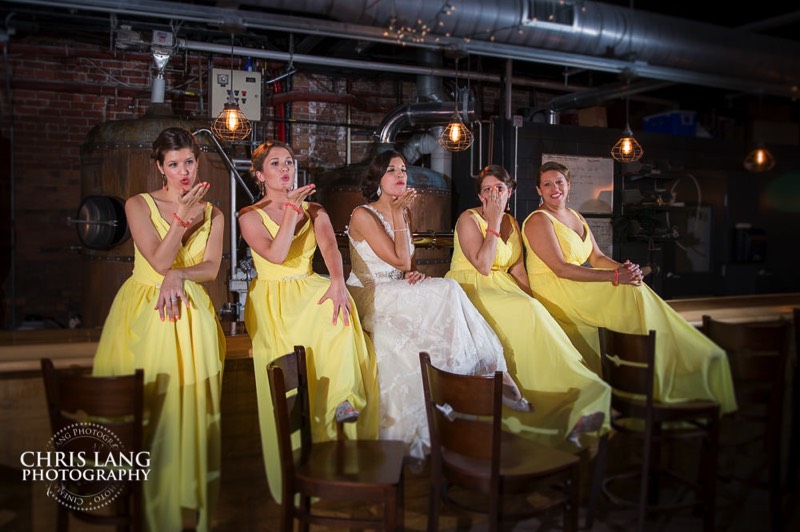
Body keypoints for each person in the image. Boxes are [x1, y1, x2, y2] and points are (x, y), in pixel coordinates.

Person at [345, 149, 530, 461]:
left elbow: (408, 264)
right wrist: (399, 221)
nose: (401, 175)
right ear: (377, 178)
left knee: (442, 301)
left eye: (403, 169)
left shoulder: (403, 211)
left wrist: (413, 273)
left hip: (397, 288)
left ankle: (460, 400)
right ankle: (487, 370)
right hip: (370, 291)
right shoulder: (363, 215)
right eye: (391, 170)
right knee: (447, 287)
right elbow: (399, 257)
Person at [522, 160, 736, 413]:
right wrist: (615, 277)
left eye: (559, 182)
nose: (554, 188)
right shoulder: (538, 220)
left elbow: (597, 258)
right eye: (547, 184)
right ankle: (666, 353)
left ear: (569, 185)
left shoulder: (576, 216)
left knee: (633, 283)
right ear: (539, 190)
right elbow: (560, 268)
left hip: (576, 283)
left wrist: (624, 270)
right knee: (626, 288)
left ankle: (666, 352)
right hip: (557, 289)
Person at [92, 127, 225, 531]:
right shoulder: (138, 204)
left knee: (185, 412)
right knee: (145, 410)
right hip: (145, 311)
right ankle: (134, 505)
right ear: (159, 168)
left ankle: (179, 500)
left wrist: (180, 276)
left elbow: (211, 268)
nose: (183, 171)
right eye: (173, 164)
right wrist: (181, 220)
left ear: (197, 162)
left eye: (189, 162)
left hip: (189, 314)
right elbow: (158, 259)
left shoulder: (215, 212)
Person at [239, 140, 379, 503]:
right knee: (291, 378)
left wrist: (336, 279)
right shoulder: (249, 216)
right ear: (259, 175)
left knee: (338, 306)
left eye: (289, 161)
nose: (285, 168)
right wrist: (288, 213)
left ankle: (344, 400)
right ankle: (296, 465)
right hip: (273, 299)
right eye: (275, 164)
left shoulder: (316, 209)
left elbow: (331, 248)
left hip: (309, 287)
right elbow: (276, 253)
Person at [445, 164, 611, 448]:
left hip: (504, 288)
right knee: (526, 313)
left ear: (509, 192)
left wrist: (534, 300)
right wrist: (494, 223)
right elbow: (483, 266)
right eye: (487, 189)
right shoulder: (468, 219)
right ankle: (533, 403)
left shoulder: (514, 222)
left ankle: (579, 398)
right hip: (469, 288)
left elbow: (518, 269)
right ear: (480, 196)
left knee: (536, 313)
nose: (494, 193)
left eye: (500, 188)